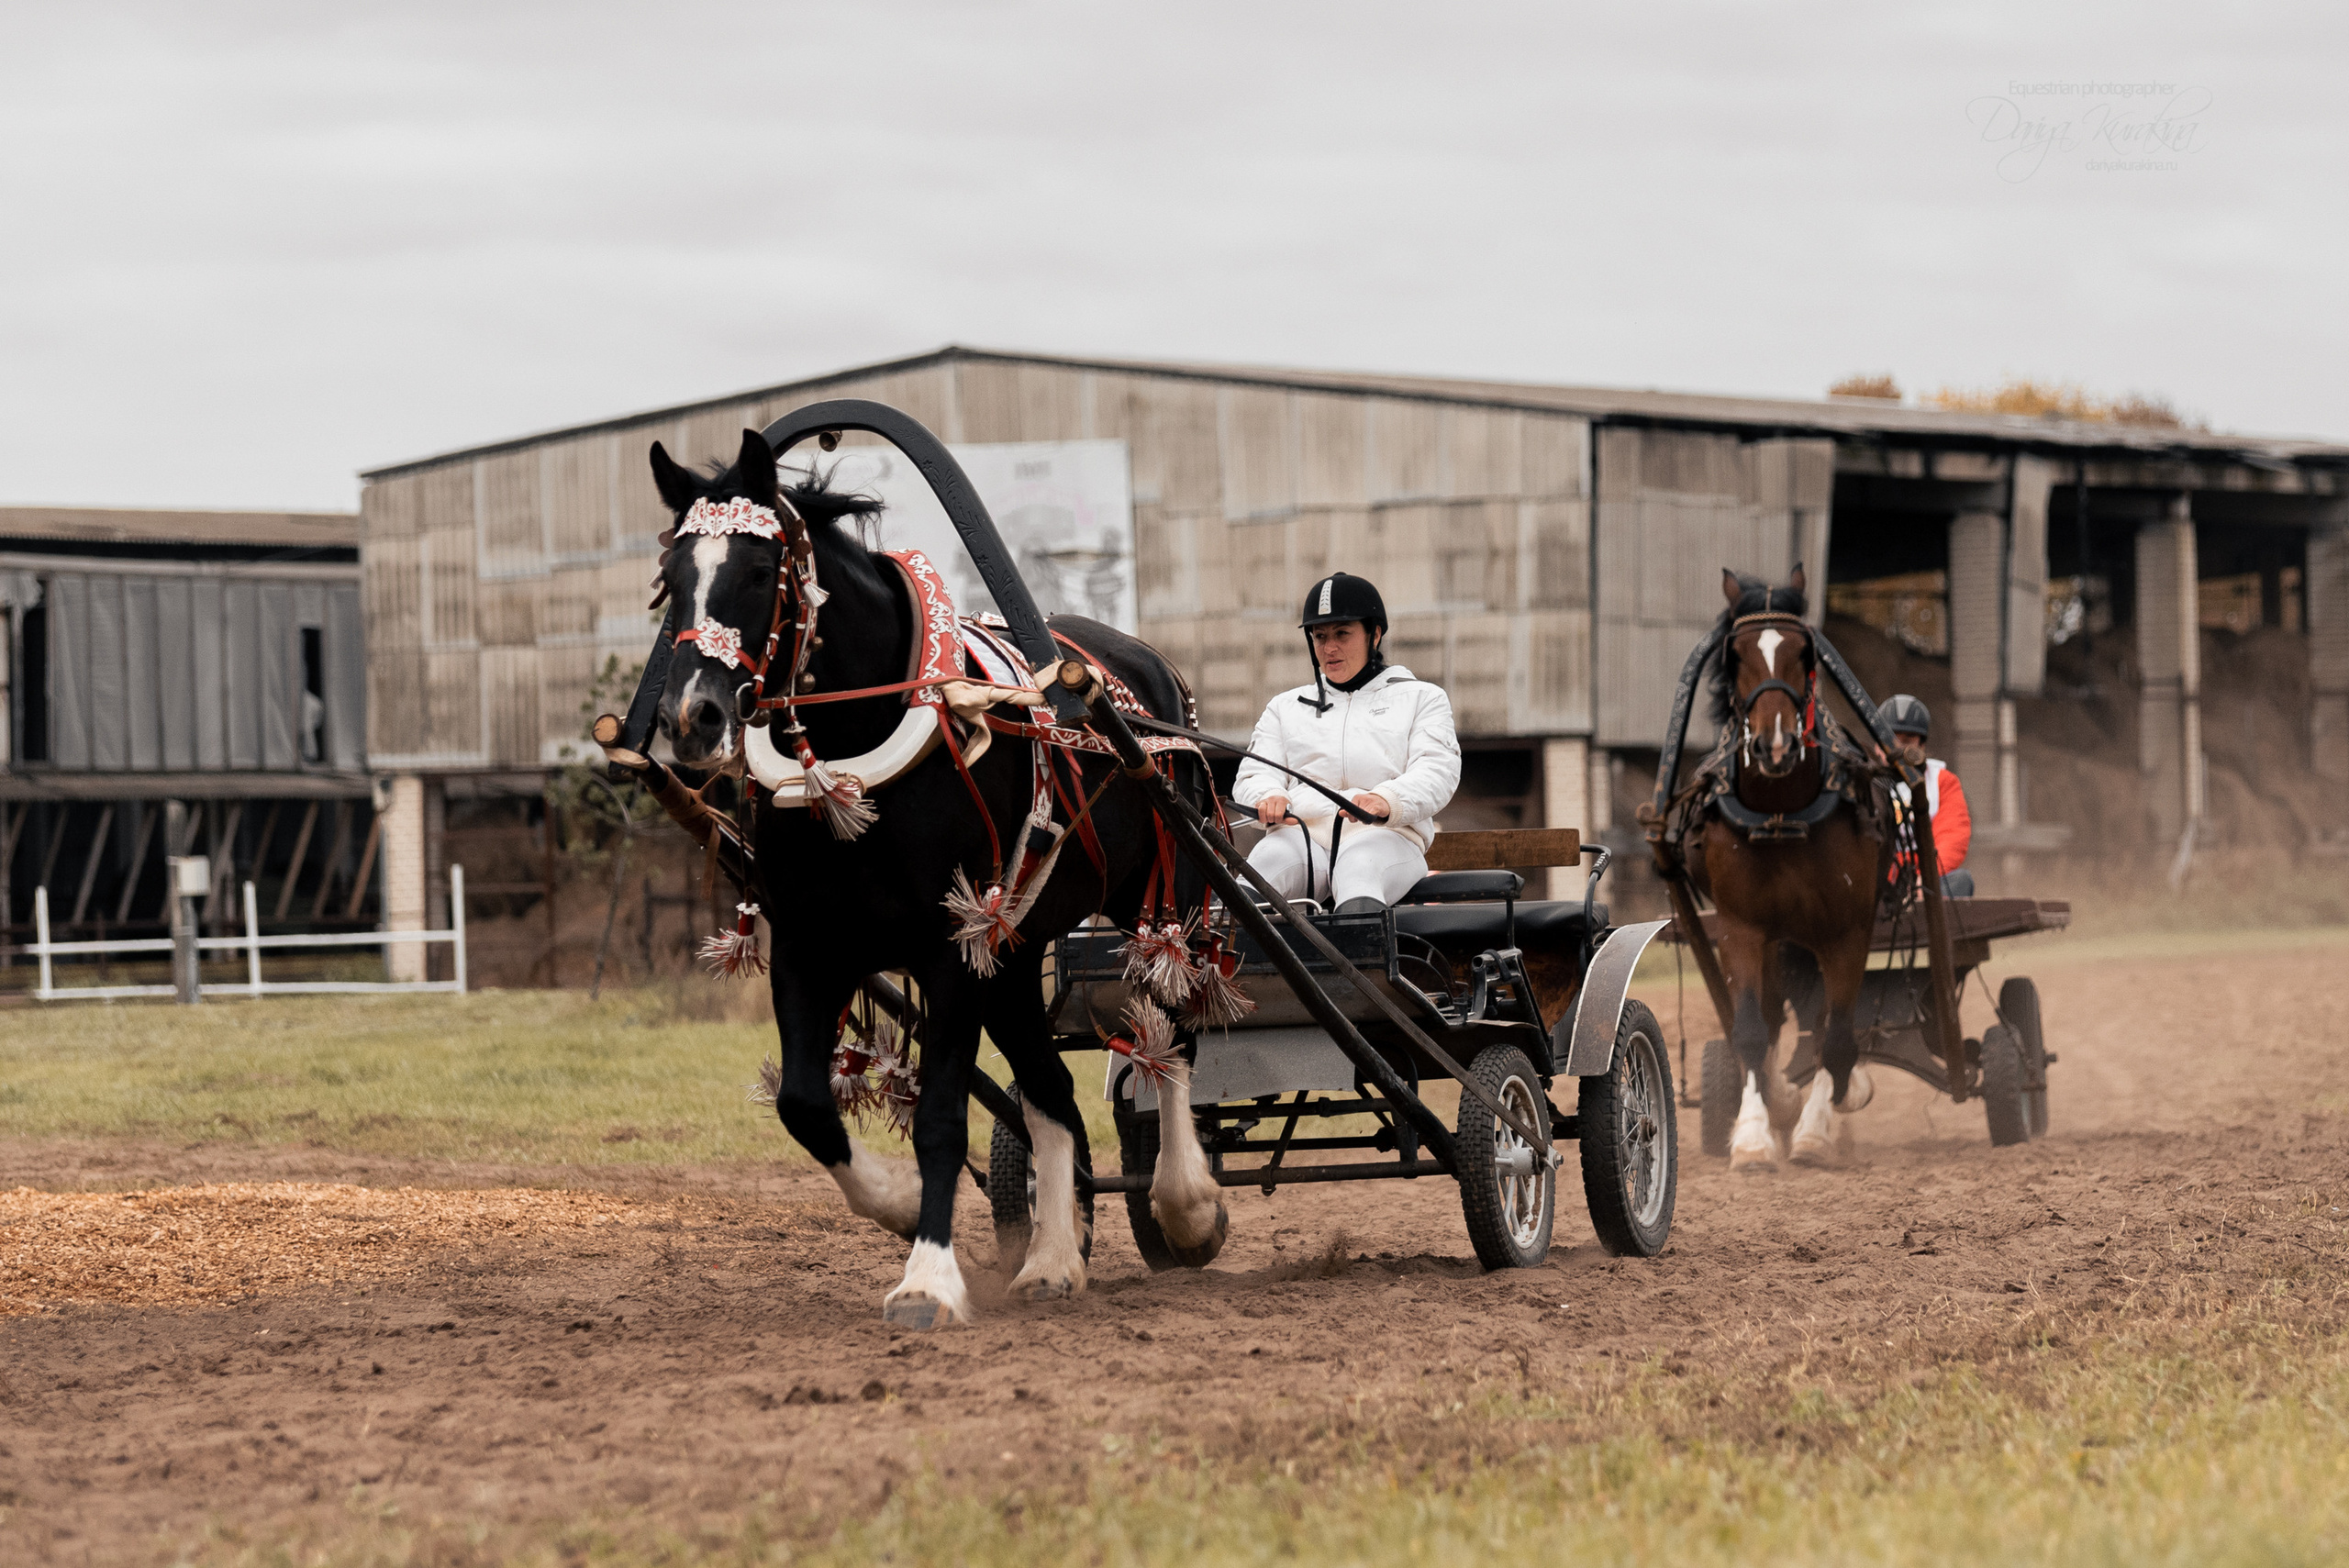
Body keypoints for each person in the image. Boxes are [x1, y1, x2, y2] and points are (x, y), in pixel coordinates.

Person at [1231, 573, 1462, 915]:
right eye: (1319, 636)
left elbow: (1437, 769)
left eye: (1342, 633)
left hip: (1388, 837)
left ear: (1375, 634)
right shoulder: (1284, 707)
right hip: (1301, 837)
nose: (1329, 648)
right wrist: (1267, 796)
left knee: (1359, 868)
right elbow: (1254, 774)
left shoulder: (1422, 698)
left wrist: (1387, 799)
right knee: (1263, 864)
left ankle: (1361, 968)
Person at [1881, 694, 1974, 897]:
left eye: (1907, 740)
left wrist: (1927, 878)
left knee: (1961, 881)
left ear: (1921, 745)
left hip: (1925, 880)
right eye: (1892, 739)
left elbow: (1952, 834)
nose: (1899, 747)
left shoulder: (1942, 781)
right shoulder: (1865, 780)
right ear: (1878, 743)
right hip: (1878, 880)